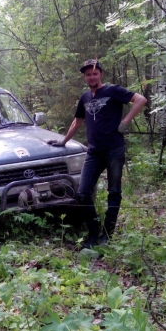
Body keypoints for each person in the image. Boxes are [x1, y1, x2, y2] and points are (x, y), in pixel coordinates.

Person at [48, 59, 147, 247]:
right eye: (88, 74)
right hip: (93, 152)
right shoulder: (85, 97)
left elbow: (140, 100)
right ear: (84, 77)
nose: (91, 77)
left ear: (101, 74)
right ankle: (94, 233)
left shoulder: (112, 91)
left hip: (114, 150)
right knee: (83, 193)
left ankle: (107, 235)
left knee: (114, 192)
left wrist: (125, 122)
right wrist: (63, 141)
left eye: (94, 73)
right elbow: (77, 121)